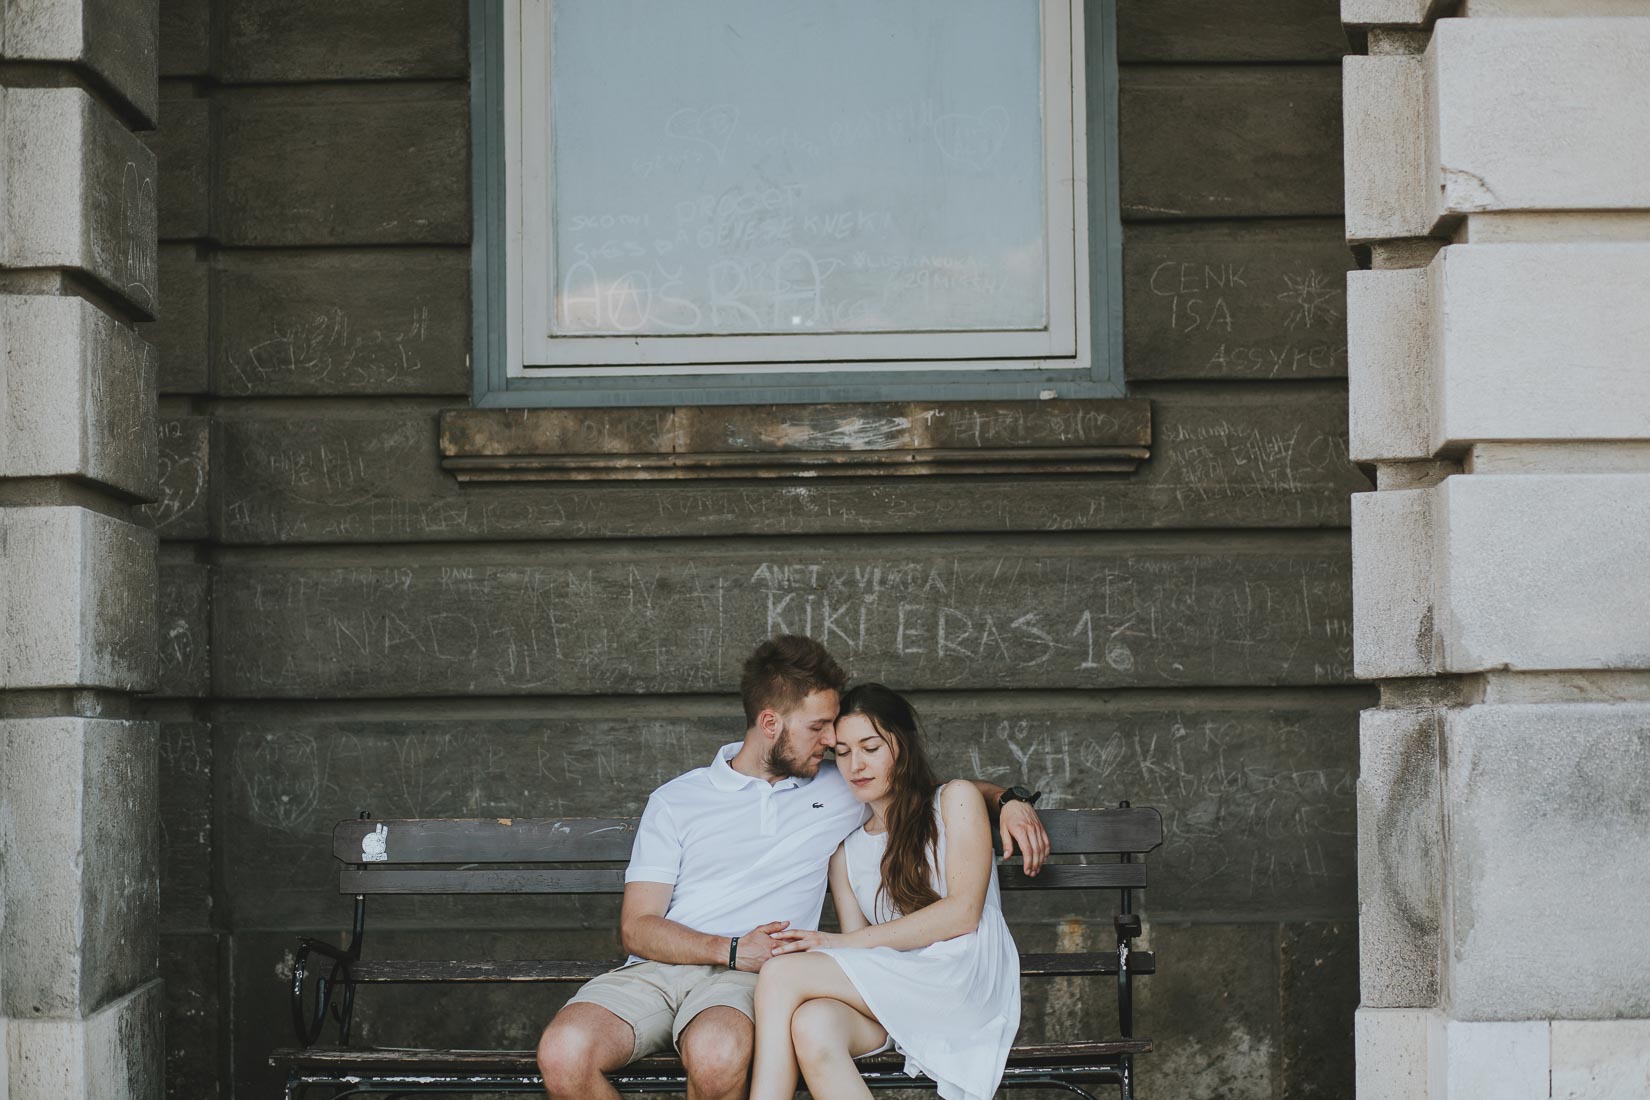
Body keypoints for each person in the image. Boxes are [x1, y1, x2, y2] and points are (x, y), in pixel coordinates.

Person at [536, 636, 1047, 1100]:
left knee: (720, 1052)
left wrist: (1007, 798)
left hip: (745, 983)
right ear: (770, 723)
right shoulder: (677, 800)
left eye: (851, 740)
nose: (835, 747)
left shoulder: (841, 787)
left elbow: (929, 792)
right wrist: (733, 949)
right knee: (564, 1053)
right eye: (822, 729)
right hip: (660, 973)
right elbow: (637, 927)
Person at [748, 683, 1020, 1100]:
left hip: (960, 982)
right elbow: (861, 962)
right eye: (842, 752)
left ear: (902, 745)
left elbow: (963, 913)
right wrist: (841, 949)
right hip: (897, 994)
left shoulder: (954, 801)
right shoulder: (846, 854)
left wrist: (836, 943)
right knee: (812, 1023)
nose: (856, 764)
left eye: (870, 747)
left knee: (781, 973)